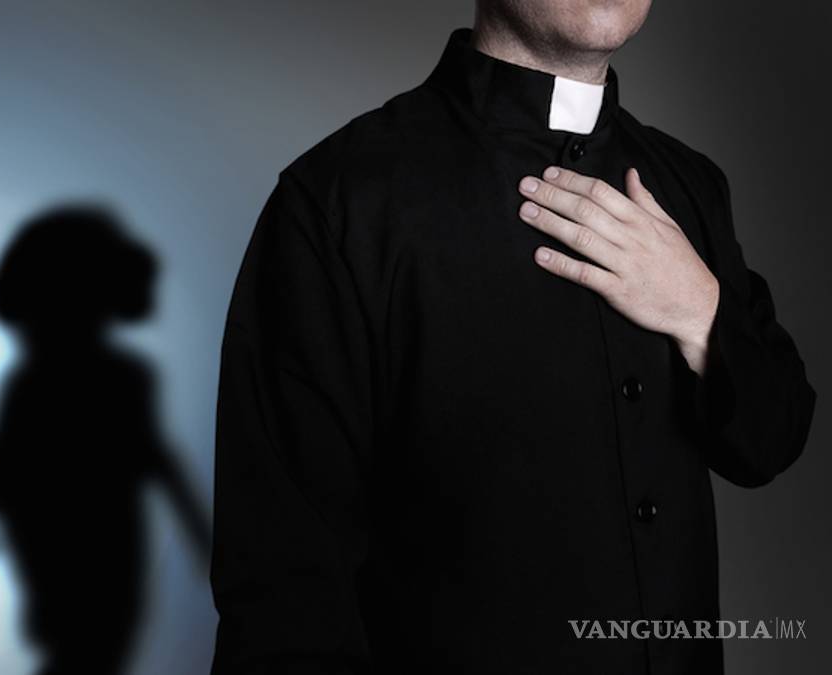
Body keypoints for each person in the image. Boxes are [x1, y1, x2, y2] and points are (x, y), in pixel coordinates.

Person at [210, 2, 816, 674]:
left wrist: (700, 311)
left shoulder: (691, 183)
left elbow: (773, 442)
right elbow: (283, 596)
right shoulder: (337, 201)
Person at [0, 206, 210, 675]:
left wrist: (200, 532)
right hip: (69, 538)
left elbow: (156, 457)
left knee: (94, 650)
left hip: (100, 537)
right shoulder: (53, 383)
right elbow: (3, 459)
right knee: (86, 649)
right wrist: (200, 532)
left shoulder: (121, 377)